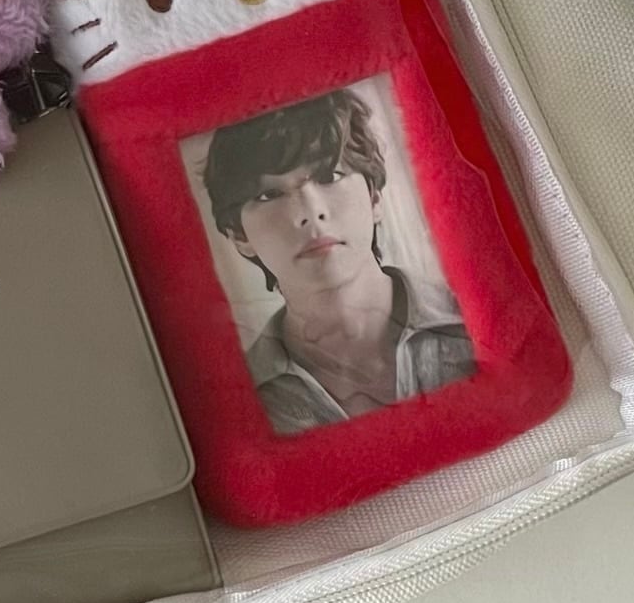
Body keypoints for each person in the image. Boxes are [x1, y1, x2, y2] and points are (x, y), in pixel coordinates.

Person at [201, 88, 474, 436]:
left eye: (329, 176)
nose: (310, 212)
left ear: (375, 199)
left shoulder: (476, 322)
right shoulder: (239, 407)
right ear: (239, 236)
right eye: (269, 194)